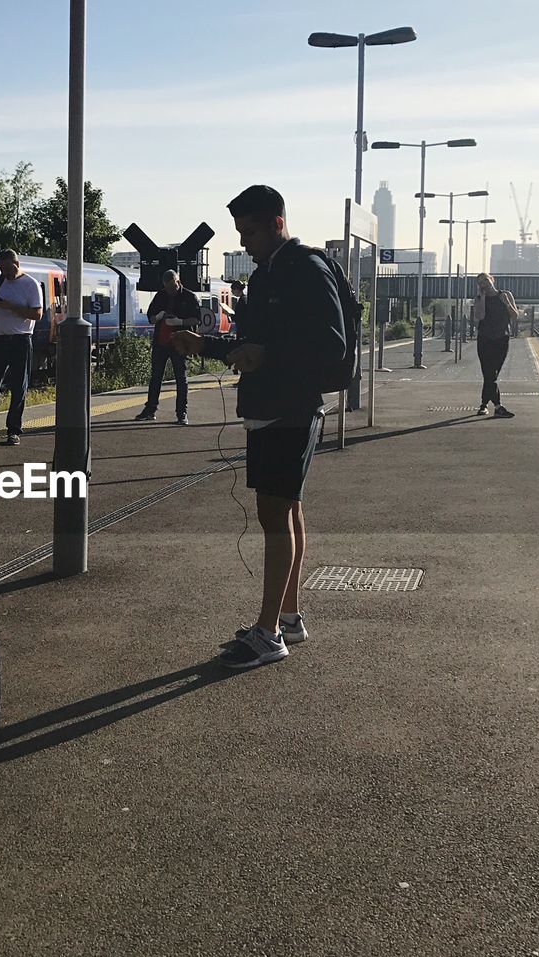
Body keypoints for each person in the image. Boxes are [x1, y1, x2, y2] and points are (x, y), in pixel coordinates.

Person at [173, 185, 344, 669]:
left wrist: (268, 356)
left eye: (249, 232)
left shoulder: (306, 270)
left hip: (290, 408)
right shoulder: (272, 273)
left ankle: (269, 634)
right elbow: (252, 341)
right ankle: (287, 616)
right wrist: (203, 345)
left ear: (276, 223)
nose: (243, 244)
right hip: (273, 406)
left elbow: (331, 346)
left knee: (275, 516)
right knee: (287, 512)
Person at [0, 249, 43, 445]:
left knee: (18, 386)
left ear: (17, 264)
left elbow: (37, 314)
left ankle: (13, 430)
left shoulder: (31, 285)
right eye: (1, 269)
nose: (5, 273)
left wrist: (10, 306)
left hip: (20, 340)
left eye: (8, 268)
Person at [135, 269, 198, 425]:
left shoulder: (189, 297)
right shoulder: (160, 296)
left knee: (181, 379)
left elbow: (196, 319)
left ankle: (181, 413)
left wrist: (180, 322)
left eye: (172, 286)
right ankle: (150, 410)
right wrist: (157, 317)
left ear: (178, 282)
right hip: (161, 342)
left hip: (180, 343)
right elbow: (150, 317)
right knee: (155, 377)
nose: (170, 290)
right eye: (167, 287)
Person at [472, 272, 519, 418]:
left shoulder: (506, 295)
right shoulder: (479, 298)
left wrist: (507, 303)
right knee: (489, 373)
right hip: (485, 339)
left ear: (492, 280)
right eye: (480, 283)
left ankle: (484, 405)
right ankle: (498, 406)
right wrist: (482, 298)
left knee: (493, 374)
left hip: (501, 339)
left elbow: (515, 315)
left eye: (485, 280)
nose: (484, 284)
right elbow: (479, 316)